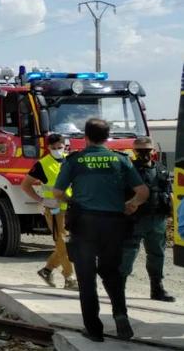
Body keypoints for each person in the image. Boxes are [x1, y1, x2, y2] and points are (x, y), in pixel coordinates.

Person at [54, 118, 149, 342]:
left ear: (85, 137)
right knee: (111, 273)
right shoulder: (120, 160)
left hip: (84, 224)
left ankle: (94, 330)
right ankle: (120, 314)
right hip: (113, 225)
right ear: (107, 138)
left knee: (86, 279)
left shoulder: (75, 161)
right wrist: (131, 204)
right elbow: (143, 191)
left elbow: (58, 192)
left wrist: (72, 200)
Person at [120, 136, 175, 302]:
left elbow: (169, 193)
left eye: (147, 150)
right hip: (134, 220)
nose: (144, 154)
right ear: (134, 152)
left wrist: (171, 213)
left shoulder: (161, 169)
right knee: (128, 254)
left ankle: (157, 288)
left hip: (157, 219)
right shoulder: (128, 170)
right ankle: (118, 289)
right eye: (140, 151)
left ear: (153, 151)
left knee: (157, 255)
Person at [20, 133, 77, 290]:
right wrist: (41, 200)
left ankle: (47, 271)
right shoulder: (42, 164)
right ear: (48, 148)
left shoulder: (71, 160)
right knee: (63, 243)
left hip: (72, 208)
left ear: (65, 145)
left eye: (60, 147)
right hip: (54, 209)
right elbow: (25, 185)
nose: (58, 150)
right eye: (54, 148)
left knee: (67, 244)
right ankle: (69, 278)